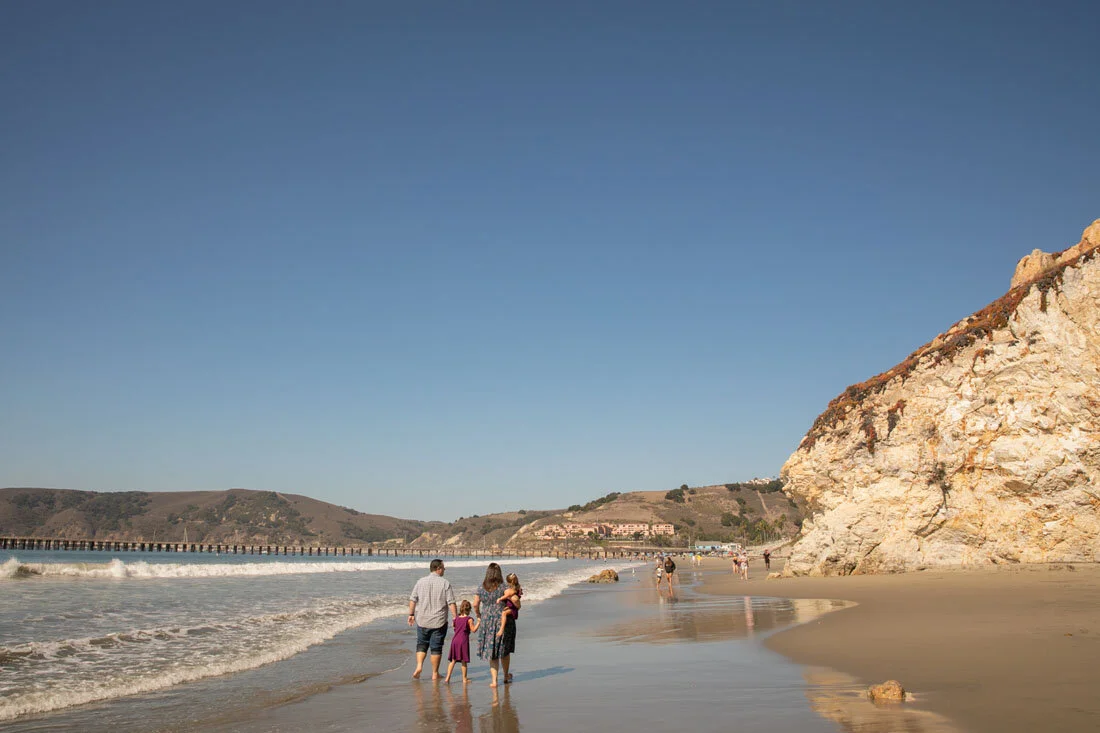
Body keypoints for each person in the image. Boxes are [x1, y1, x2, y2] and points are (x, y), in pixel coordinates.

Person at [408, 558, 457, 680]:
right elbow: (451, 602)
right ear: (438, 569)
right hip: (438, 621)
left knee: (421, 644)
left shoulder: (420, 582)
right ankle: (435, 673)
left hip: (422, 620)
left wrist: (411, 614)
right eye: (443, 568)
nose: (444, 570)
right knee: (436, 647)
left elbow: (413, 599)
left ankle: (419, 666)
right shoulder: (445, 583)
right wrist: (455, 618)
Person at [473, 562, 516, 687]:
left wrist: (478, 615)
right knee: (504, 650)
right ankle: (506, 676)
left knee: (492, 651)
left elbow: (475, 604)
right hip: (502, 619)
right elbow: (514, 595)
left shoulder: (481, 588)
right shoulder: (503, 588)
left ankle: (493, 681)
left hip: (487, 619)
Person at [445, 599, 480, 683]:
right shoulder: (469, 619)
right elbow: (473, 630)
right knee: (463, 660)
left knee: (453, 660)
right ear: (469, 610)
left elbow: (454, 628)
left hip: (454, 640)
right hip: (463, 641)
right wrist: (479, 622)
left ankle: (447, 678)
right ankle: (464, 679)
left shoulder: (456, 618)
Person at [496, 573, 523, 637]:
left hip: (513, 607)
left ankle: (501, 629)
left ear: (509, 582)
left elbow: (507, 595)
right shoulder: (517, 586)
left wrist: (500, 599)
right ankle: (507, 608)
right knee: (505, 611)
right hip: (512, 606)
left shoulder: (512, 589)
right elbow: (520, 593)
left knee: (504, 613)